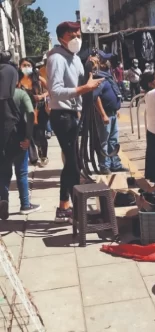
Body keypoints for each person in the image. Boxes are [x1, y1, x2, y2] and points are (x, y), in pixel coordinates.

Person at [47, 21, 104, 223]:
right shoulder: (56, 58)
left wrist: (91, 69)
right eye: (73, 36)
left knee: (73, 163)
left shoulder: (73, 58)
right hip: (61, 115)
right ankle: (71, 208)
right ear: (62, 37)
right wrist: (84, 89)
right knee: (73, 163)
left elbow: (82, 80)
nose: (77, 40)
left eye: (79, 35)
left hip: (72, 114)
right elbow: (55, 91)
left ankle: (65, 207)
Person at [0, 61, 41, 219]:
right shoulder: (20, 94)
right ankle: (25, 204)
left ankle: (3, 200)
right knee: (22, 172)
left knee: (3, 174)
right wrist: (28, 138)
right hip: (19, 140)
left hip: (1, 141)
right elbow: (31, 115)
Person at [93, 51, 127, 175]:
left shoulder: (108, 76)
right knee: (104, 141)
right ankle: (104, 166)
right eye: (105, 60)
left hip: (112, 113)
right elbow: (96, 97)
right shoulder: (99, 78)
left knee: (113, 140)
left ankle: (115, 164)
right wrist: (103, 114)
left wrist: (115, 109)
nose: (108, 63)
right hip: (105, 115)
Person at [18, 58, 50, 166]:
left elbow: (51, 90)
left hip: (39, 110)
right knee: (28, 134)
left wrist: (41, 96)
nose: (26, 67)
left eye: (28, 65)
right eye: (24, 65)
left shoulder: (39, 79)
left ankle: (43, 155)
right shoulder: (18, 81)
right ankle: (33, 157)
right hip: (24, 111)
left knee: (40, 134)